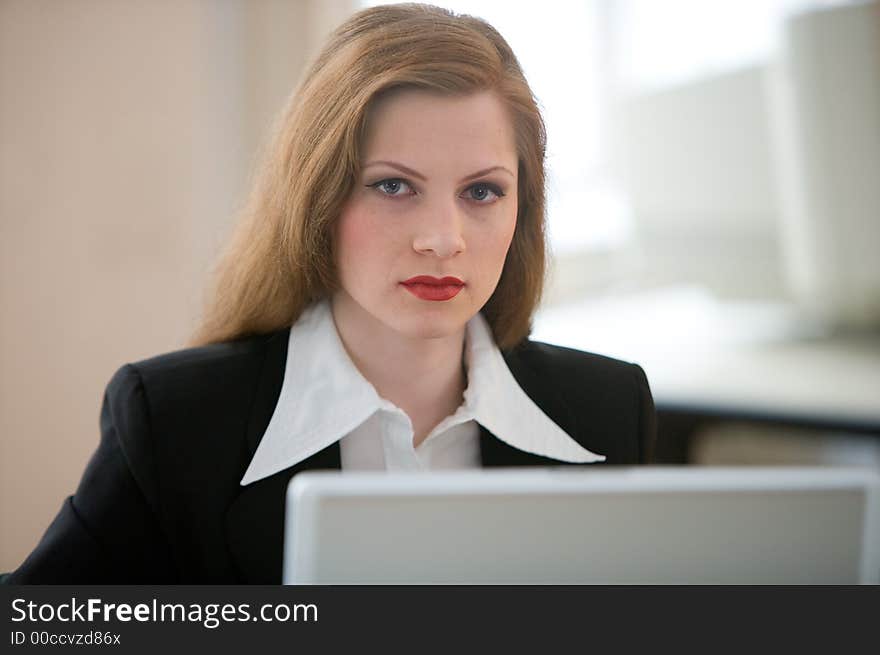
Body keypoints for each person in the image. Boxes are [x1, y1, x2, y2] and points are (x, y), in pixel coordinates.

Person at [6, 3, 655, 584]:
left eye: (481, 191)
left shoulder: (608, 411)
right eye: (394, 186)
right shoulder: (173, 422)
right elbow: (40, 628)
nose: (442, 238)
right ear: (319, 196)